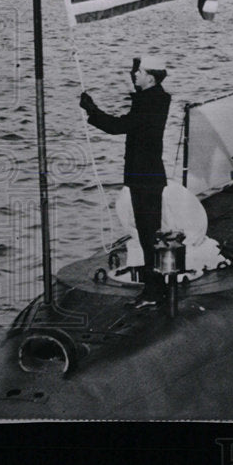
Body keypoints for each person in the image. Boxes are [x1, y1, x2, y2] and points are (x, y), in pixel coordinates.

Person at [79, 56, 171, 308]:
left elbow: (119, 126)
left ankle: (155, 291)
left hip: (145, 178)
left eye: (139, 72)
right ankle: (156, 286)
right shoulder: (155, 98)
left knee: (148, 234)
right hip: (147, 175)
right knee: (147, 233)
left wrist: (92, 110)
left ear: (150, 77)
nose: (134, 75)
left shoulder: (150, 103)